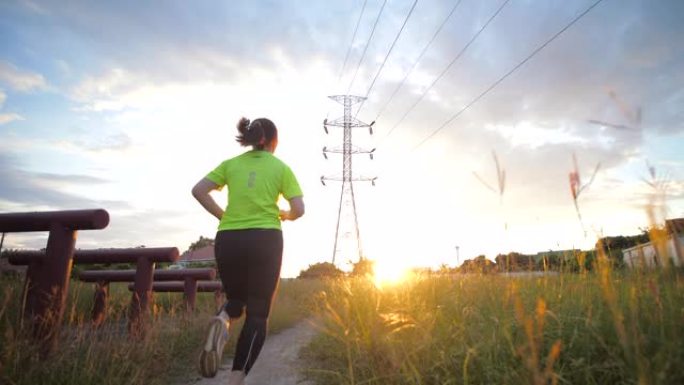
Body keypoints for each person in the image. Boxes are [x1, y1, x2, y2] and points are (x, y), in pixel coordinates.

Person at [192, 117, 304, 384]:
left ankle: (222, 318)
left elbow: (199, 190)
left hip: (229, 239)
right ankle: (235, 380)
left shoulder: (231, 164)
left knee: (236, 301)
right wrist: (286, 215)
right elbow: (299, 209)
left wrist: (223, 216)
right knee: (258, 313)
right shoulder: (281, 167)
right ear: (272, 141)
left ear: (251, 139)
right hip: (265, 238)